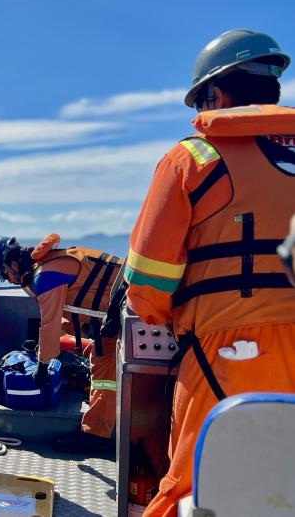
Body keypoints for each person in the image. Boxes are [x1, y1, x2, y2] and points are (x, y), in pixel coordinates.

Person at [123, 29, 295, 516]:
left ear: (215, 95)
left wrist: (163, 320)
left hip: (230, 355)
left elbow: (147, 284)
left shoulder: (193, 158)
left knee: (198, 487)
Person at [0, 233, 122, 453]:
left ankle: (97, 430)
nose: (10, 280)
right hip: (117, 318)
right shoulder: (53, 262)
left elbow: (49, 322)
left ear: (13, 264)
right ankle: (97, 432)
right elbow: (68, 314)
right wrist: (43, 348)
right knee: (103, 369)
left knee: (103, 366)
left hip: (133, 314)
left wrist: (43, 363)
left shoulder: (47, 275)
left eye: (5, 274)